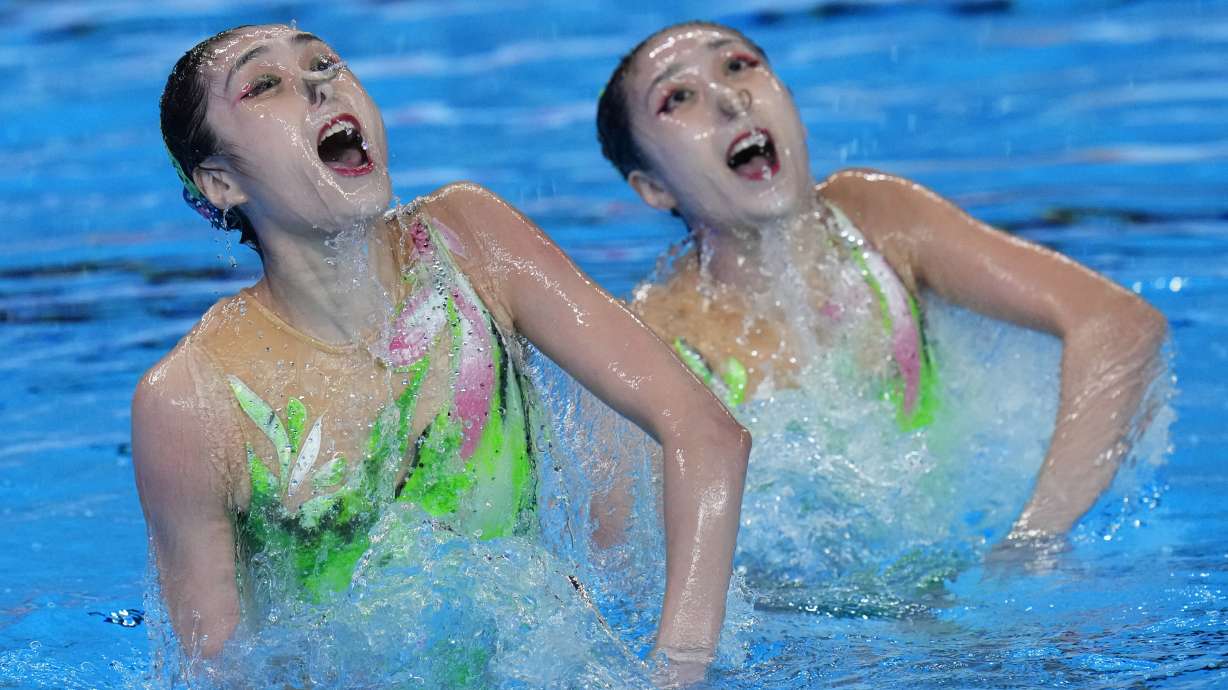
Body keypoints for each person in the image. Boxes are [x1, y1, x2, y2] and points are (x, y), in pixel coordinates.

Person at [133, 24, 749, 678]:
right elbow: (215, 672)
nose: (318, 84)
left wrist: (677, 669)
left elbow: (706, 432)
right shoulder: (191, 400)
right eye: (264, 86)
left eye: (325, 63)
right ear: (221, 183)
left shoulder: (472, 244)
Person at [595, 21, 1166, 551]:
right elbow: (621, 562)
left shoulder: (880, 221)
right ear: (653, 189)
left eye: (739, 66)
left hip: (965, 577)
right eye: (678, 98)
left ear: (792, 107)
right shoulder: (651, 343)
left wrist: (1033, 541)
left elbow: (1117, 324)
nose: (728, 98)